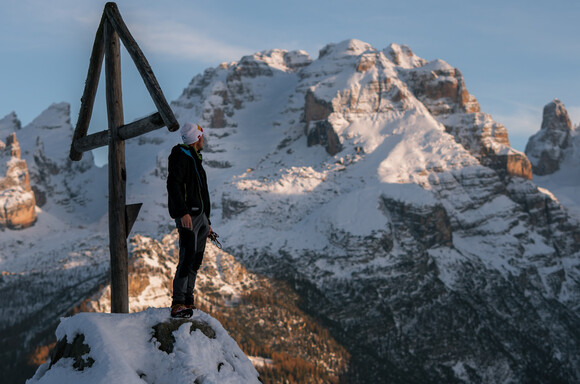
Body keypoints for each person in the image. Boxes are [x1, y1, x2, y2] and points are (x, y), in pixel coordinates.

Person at [167, 122, 212, 318]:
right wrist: (182, 212)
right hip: (188, 216)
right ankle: (178, 303)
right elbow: (173, 185)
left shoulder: (195, 159)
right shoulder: (180, 156)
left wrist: (207, 221)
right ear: (198, 138)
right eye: (202, 136)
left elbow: (201, 193)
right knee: (186, 258)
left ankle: (188, 301)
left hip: (201, 217)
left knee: (195, 260)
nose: (204, 140)